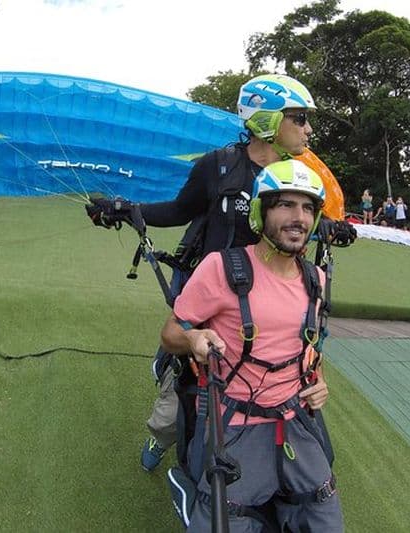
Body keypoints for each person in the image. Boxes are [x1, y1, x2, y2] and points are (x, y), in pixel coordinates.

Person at [85, 73, 356, 472]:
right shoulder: (219, 167)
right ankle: (163, 436)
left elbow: (303, 225)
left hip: (260, 306)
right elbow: (181, 210)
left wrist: (331, 226)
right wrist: (126, 209)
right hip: (212, 298)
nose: (308, 128)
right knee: (184, 390)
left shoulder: (296, 178)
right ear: (268, 120)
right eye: (298, 118)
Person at [161, 159, 344, 532]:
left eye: (308, 208)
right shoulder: (221, 268)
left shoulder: (316, 280)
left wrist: (318, 380)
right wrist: (194, 337)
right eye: (286, 205)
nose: (299, 218)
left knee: (324, 514)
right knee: (228, 519)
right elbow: (170, 333)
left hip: (294, 418)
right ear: (261, 212)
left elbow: (309, 345)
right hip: (235, 419)